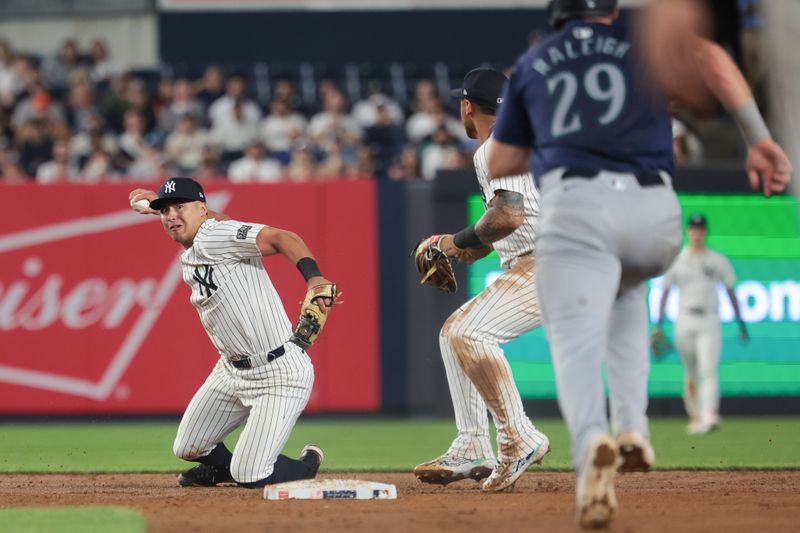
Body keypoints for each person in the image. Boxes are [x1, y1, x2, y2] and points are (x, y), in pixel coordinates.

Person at [487, 0, 790, 528]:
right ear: (609, 9)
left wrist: (556, 132)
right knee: (626, 287)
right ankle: (633, 429)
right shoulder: (643, 44)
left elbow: (500, 161)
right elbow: (713, 59)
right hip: (655, 213)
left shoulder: (536, 62)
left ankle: (592, 450)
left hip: (577, 204)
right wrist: (759, 137)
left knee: (575, 338)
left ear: (559, 13)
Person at [128, 177, 338, 488]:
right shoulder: (202, 233)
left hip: (278, 373)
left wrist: (314, 277)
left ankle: (306, 465)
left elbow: (283, 237)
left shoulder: (216, 235)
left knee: (251, 475)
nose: (171, 215)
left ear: (202, 210)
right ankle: (222, 469)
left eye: (180, 207)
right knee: (187, 447)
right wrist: (159, 202)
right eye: (165, 211)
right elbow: (216, 219)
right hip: (231, 371)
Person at [413, 67, 549, 492]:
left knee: (470, 333)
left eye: (461, 103)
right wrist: (475, 245)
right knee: (452, 334)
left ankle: (518, 436)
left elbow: (509, 214)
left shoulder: (496, 147)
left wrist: (455, 242)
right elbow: (516, 218)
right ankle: (473, 444)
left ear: (468, 107)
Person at [654, 213, 748, 435]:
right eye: (693, 228)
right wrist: (659, 323)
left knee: (708, 369)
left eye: (700, 228)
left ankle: (710, 414)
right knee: (690, 371)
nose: (697, 232)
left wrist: (741, 323)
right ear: (688, 232)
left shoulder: (717, 260)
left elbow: (730, 291)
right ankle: (695, 416)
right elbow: (665, 292)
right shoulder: (677, 259)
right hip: (685, 319)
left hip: (709, 319)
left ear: (705, 232)